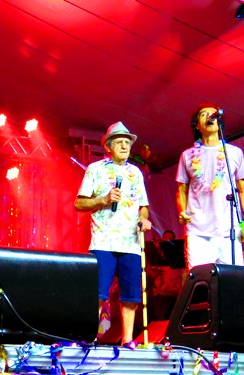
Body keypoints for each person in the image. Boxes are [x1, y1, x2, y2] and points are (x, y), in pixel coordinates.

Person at [75, 121, 151, 346]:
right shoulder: (95, 169)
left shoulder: (136, 173)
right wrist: (103, 199)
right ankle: (89, 337)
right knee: (98, 293)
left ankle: (127, 340)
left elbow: (143, 206)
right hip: (103, 241)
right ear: (108, 146)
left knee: (131, 295)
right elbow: (79, 203)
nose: (125, 146)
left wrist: (143, 218)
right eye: (119, 142)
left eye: (127, 142)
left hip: (131, 243)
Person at [176, 102, 244, 269]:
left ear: (219, 122)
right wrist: (182, 211)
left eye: (213, 114)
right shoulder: (187, 156)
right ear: (197, 125)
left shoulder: (234, 152)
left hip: (230, 231)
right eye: (203, 114)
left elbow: (243, 190)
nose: (209, 116)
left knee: (234, 280)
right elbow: (181, 190)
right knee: (200, 279)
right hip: (198, 232)